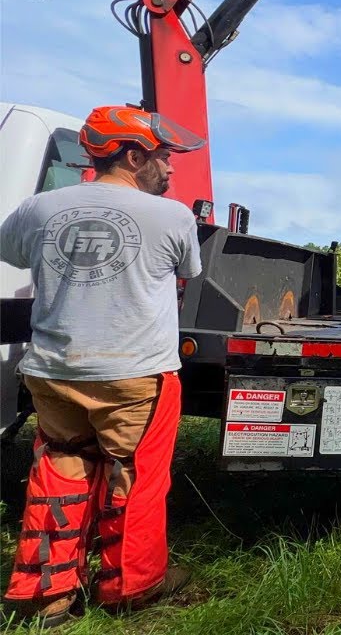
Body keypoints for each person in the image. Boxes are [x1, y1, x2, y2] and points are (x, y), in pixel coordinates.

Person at [1, 105, 207, 627]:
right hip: (133, 374)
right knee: (133, 479)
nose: (170, 166)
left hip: (53, 370)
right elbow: (187, 269)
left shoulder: (38, 208)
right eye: (163, 156)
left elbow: (12, 254)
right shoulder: (172, 217)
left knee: (60, 471)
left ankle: (49, 596)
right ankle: (130, 588)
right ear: (134, 157)